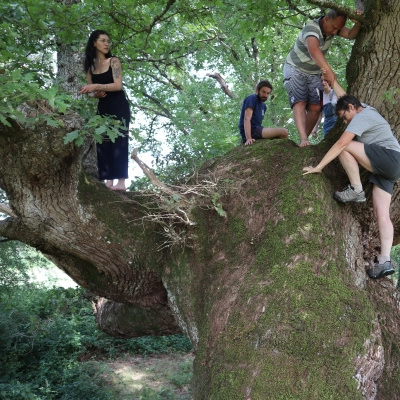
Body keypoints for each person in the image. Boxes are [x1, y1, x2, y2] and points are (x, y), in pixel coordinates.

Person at [303, 77, 400, 280]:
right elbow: (344, 96)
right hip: (390, 168)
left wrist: (318, 167)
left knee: (344, 145)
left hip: (389, 158)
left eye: (344, 117)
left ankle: (356, 190)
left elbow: (340, 144)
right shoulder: (362, 108)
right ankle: (385, 260)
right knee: (381, 214)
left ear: (352, 108)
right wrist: (331, 81)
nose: (345, 122)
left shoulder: (361, 116)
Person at [283, 8, 362, 147]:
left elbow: (350, 34)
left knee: (315, 108)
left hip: (313, 72)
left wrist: (358, 23)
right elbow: (314, 50)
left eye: (337, 29)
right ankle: (303, 139)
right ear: (326, 19)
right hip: (295, 68)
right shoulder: (311, 28)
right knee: (300, 101)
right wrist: (328, 71)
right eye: (333, 27)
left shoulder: (333, 29)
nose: (334, 32)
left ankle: (303, 142)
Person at [79, 30, 130, 191]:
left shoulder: (114, 61)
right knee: (103, 141)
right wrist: (96, 94)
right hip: (103, 106)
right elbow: (92, 92)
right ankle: (108, 180)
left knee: (119, 141)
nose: (107, 43)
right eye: (103, 40)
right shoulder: (90, 66)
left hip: (119, 105)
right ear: (94, 43)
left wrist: (97, 86)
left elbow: (117, 85)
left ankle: (121, 182)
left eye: (108, 41)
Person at [238, 80, 288, 146]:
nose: (265, 95)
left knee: (279, 135)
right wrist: (248, 138)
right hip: (252, 130)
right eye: (263, 92)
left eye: (268, 93)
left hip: (257, 129)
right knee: (283, 132)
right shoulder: (252, 98)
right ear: (257, 90)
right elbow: (247, 119)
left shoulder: (263, 106)